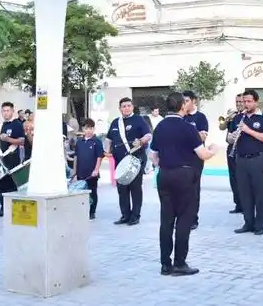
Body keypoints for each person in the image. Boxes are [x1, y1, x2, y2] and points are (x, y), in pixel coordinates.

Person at [150, 91, 218, 276]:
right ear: (182, 106)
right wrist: (213, 150)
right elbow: (202, 154)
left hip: (164, 175)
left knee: (166, 220)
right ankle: (179, 263)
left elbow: (153, 155)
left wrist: (165, 164)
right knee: (183, 219)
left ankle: (165, 264)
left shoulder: (160, 126)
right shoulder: (187, 127)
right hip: (184, 175)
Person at [232, 89, 263, 235]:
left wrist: (248, 130)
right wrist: (232, 136)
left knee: (259, 193)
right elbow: (229, 138)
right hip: (241, 159)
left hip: (258, 159)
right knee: (244, 193)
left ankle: (259, 225)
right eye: (244, 101)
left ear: (256, 102)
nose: (246, 104)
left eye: (249, 101)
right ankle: (248, 222)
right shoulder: (238, 118)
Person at [105, 97, 152, 226]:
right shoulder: (115, 122)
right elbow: (108, 139)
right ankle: (125, 215)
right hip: (120, 162)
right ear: (120, 108)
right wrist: (106, 150)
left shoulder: (139, 119)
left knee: (135, 188)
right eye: (123, 106)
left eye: (128, 105)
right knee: (122, 189)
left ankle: (135, 216)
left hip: (135, 159)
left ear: (132, 107)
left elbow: (148, 135)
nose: (126, 108)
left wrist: (141, 141)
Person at [0, 102, 25, 218]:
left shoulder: (17, 124)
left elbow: (22, 141)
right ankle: (3, 208)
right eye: (3, 111)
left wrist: (8, 139)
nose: (5, 113)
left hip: (11, 158)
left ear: (12, 111)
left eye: (7, 110)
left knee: (11, 185)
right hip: (0, 158)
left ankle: (13, 209)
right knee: (1, 184)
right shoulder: (1, 125)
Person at [182, 90, 209, 230]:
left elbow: (202, 136)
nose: (184, 104)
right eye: (183, 101)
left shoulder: (200, 117)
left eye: (187, 101)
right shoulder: (181, 116)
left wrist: (183, 135)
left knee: (193, 189)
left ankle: (193, 219)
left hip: (195, 158)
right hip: (181, 157)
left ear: (193, 101)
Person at [72, 118, 103, 219]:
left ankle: (92, 212)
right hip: (80, 172)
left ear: (94, 129)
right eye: (86, 128)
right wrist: (74, 172)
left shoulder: (97, 141)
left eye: (91, 128)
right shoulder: (79, 142)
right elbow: (76, 157)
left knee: (92, 192)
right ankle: (82, 211)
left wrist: (96, 170)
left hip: (92, 173)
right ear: (83, 129)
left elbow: (99, 157)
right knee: (81, 192)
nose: (89, 131)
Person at [223, 94, 244, 213]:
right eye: (237, 102)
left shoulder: (247, 117)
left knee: (243, 179)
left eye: (241, 101)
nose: (239, 104)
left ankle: (246, 204)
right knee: (233, 178)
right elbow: (227, 135)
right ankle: (238, 204)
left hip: (242, 151)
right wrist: (230, 138)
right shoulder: (234, 117)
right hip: (231, 150)